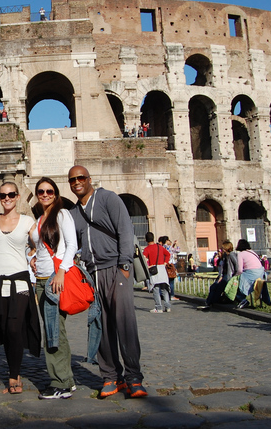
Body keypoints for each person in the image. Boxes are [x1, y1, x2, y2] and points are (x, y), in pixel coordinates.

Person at [67, 165, 147, 398]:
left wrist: (124, 265)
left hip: (115, 268)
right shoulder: (73, 213)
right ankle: (111, 377)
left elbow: (125, 229)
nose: (77, 182)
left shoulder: (108, 198)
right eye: (72, 180)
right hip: (93, 274)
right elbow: (68, 241)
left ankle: (134, 378)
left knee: (125, 324)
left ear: (89, 179)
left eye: (81, 177)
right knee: (100, 325)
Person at [0, 181, 40, 396]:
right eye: (3, 195)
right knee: (5, 329)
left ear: (17, 197)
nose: (6, 198)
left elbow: (39, 242)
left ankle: (14, 375)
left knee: (15, 328)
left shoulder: (27, 221)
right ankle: (12, 369)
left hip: (20, 283)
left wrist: (33, 257)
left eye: (11, 195)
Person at [30, 177, 78, 399]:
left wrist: (61, 272)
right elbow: (41, 247)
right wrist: (33, 259)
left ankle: (59, 383)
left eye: (50, 191)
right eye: (41, 191)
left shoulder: (62, 214)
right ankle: (67, 379)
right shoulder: (41, 218)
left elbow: (72, 245)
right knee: (56, 330)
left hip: (53, 280)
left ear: (56, 194)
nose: (45, 194)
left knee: (52, 332)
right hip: (40, 278)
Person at [199, 240, 236, 310]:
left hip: (229, 276)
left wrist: (234, 276)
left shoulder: (231, 255)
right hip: (224, 276)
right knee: (214, 287)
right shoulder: (225, 256)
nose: (222, 250)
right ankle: (209, 302)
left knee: (217, 288)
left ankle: (210, 302)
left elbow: (236, 266)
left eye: (223, 248)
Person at [233, 239, 265, 309]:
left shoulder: (241, 254)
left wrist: (235, 276)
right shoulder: (253, 252)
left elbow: (240, 269)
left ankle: (242, 299)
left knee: (240, 283)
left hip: (251, 272)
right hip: (260, 272)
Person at [144, 232, 171, 313]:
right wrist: (165, 262)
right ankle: (167, 306)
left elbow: (144, 259)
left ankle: (158, 307)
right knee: (164, 289)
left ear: (146, 240)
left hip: (154, 269)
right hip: (162, 268)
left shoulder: (147, 249)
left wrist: (147, 266)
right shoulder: (159, 247)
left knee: (156, 289)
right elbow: (168, 254)